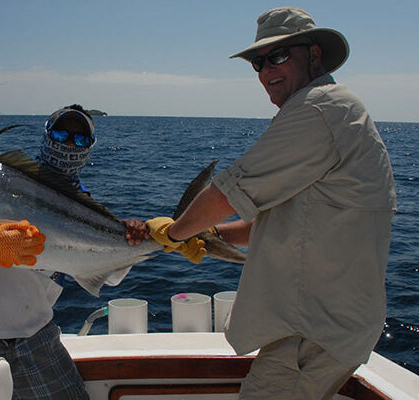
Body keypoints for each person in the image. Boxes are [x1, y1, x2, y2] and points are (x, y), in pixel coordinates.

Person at [145, 7, 397, 399]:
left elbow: (229, 193)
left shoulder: (317, 109)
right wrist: (208, 234)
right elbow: (276, 221)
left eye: (278, 56)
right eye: (258, 62)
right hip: (326, 329)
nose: (265, 71)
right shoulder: (334, 109)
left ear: (314, 55)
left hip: (312, 332)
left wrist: (174, 233)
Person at [0, 104, 146, 400]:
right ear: (47, 135)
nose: (68, 144)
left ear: (90, 148)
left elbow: (110, 278)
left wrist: (133, 237)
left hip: (37, 336)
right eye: (61, 134)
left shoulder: (87, 210)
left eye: (79, 140)